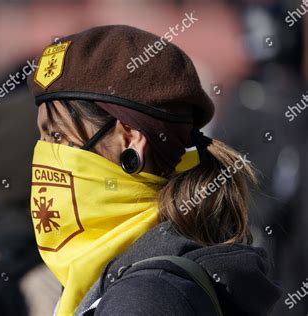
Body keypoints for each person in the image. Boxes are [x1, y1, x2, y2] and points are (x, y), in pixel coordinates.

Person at [26, 25, 282, 315]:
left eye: (58, 137)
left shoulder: (144, 299)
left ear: (130, 139)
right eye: (43, 138)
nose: (44, 154)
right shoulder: (129, 273)